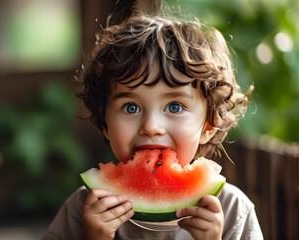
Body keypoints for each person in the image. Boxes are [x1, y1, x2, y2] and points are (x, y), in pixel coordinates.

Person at [43, 6, 263, 240]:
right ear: (106, 124)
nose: (151, 126)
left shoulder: (232, 210)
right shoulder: (83, 208)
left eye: (174, 106)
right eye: (131, 107)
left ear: (208, 125)